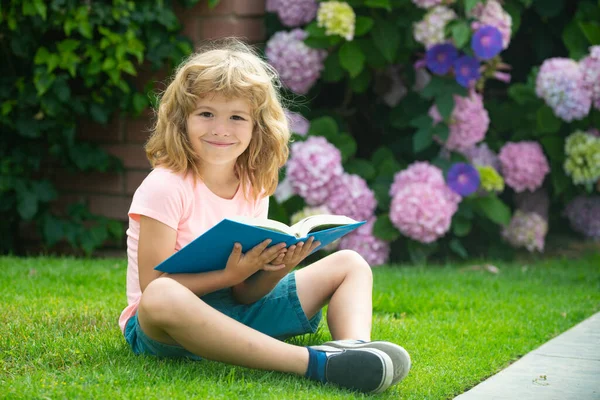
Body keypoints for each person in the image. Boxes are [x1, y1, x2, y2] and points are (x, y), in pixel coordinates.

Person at [118, 38, 411, 394]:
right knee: (162, 295)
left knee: (350, 263)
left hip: (233, 311)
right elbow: (153, 286)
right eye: (206, 113)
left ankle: (354, 352)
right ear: (182, 121)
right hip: (169, 324)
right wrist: (228, 273)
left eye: (237, 117)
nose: (220, 129)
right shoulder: (165, 186)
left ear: (258, 126)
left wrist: (279, 266)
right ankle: (316, 365)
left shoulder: (253, 185)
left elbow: (245, 295)